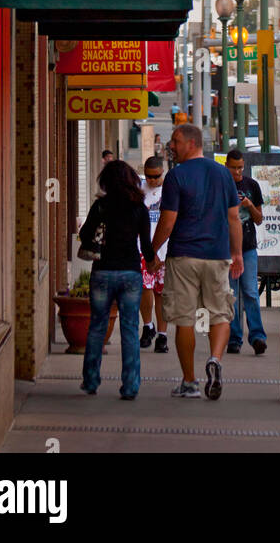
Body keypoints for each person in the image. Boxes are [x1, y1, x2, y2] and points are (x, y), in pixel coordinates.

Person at [151, 123, 243, 401]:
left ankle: (190, 382)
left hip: (183, 257)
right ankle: (215, 359)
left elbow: (167, 221)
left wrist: (152, 252)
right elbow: (233, 218)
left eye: (176, 141)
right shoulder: (223, 174)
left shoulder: (176, 176)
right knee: (221, 314)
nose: (172, 146)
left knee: (183, 318)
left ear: (192, 143)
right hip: (216, 257)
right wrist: (236, 253)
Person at [79, 160, 154, 400]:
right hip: (130, 273)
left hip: (103, 271)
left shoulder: (100, 206)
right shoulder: (139, 208)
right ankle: (130, 386)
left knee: (97, 327)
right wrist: (152, 263)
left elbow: (84, 234)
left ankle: (91, 381)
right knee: (130, 329)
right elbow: (146, 244)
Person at [225, 149, 267, 355]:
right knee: (231, 294)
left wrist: (250, 205)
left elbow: (259, 219)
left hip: (248, 247)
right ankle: (235, 338)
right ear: (227, 166)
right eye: (234, 168)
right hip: (226, 248)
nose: (238, 171)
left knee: (250, 292)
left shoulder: (251, 185)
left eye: (240, 167)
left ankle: (258, 336)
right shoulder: (222, 185)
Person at [139, 155, 169, 352]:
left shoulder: (170, 191)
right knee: (145, 287)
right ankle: (148, 326)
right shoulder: (139, 190)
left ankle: (163, 334)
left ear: (162, 172)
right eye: (148, 176)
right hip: (143, 249)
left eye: (156, 176)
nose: (151, 180)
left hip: (166, 251)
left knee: (162, 293)